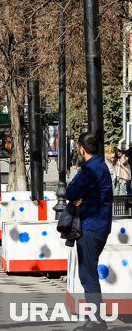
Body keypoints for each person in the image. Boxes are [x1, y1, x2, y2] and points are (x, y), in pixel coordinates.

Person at [66, 133, 113, 331]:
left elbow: (69, 192)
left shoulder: (89, 170)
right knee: (89, 272)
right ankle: (96, 319)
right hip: (100, 226)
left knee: (88, 274)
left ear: (81, 149)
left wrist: (76, 196)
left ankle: (96, 321)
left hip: (90, 227)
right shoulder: (101, 166)